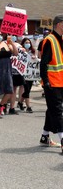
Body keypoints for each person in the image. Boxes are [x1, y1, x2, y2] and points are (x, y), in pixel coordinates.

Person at [39, 14, 63, 150]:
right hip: (52, 83)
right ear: (60, 24)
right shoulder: (49, 40)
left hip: (61, 81)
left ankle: (45, 136)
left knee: (52, 110)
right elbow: (43, 64)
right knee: (57, 110)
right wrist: (46, 82)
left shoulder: (61, 39)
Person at [18, 38, 37, 113]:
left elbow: (36, 59)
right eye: (26, 42)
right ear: (23, 43)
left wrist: (34, 58)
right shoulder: (21, 51)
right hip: (23, 74)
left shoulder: (33, 51)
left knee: (28, 90)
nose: (27, 44)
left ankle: (20, 102)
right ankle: (28, 107)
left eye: (29, 42)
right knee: (26, 89)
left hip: (31, 74)